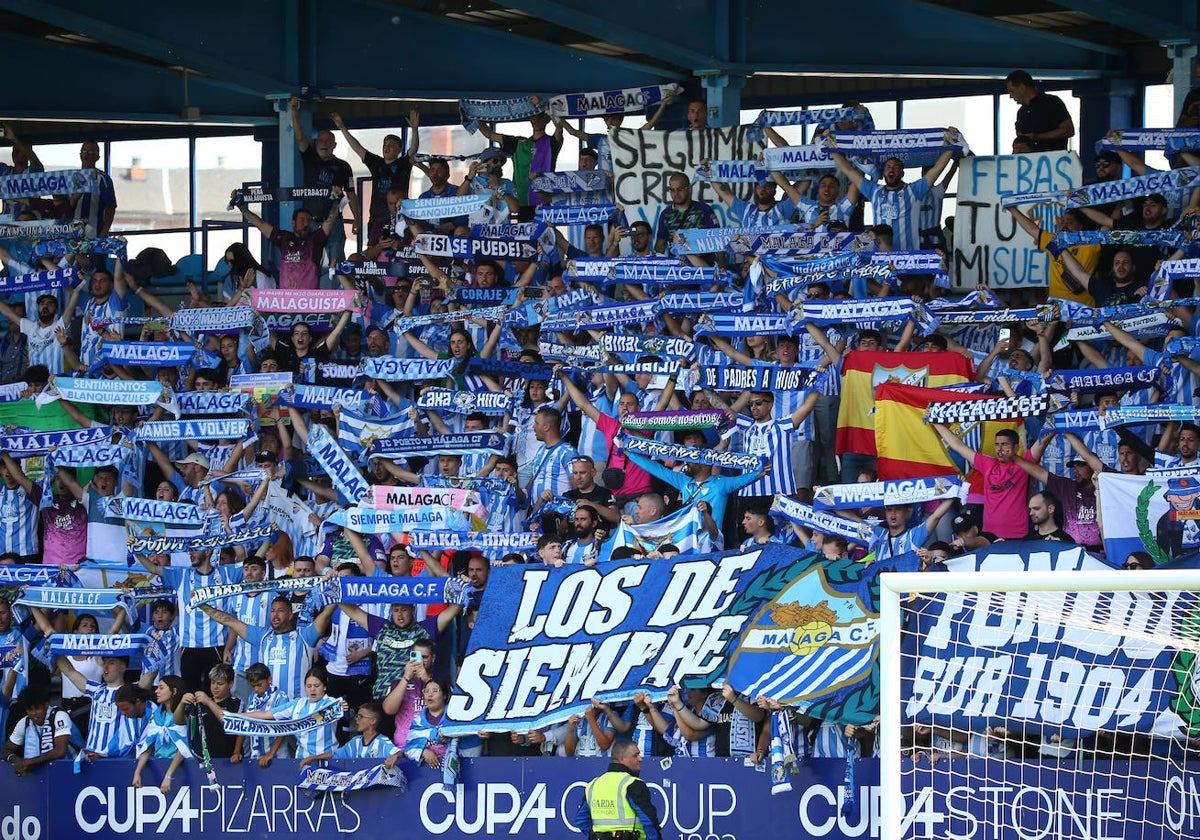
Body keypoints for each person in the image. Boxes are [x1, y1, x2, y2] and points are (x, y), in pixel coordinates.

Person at [331, 110, 419, 245]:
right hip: (376, 219)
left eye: (391, 145)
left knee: (398, 252)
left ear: (399, 150)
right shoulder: (376, 163)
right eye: (385, 144)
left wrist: (414, 129)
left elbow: (413, 149)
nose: (387, 147)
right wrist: (342, 127)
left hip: (398, 219)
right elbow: (357, 148)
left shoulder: (403, 164)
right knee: (374, 253)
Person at [290, 97, 359, 262]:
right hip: (309, 223)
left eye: (328, 141)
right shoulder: (310, 157)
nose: (324, 144)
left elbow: (351, 194)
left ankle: (341, 289)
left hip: (333, 222)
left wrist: (356, 218)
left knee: (337, 263)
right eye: (320, 140)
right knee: (308, 263)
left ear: (334, 145)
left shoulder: (343, 166)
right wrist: (293, 111)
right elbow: (299, 137)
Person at [932, 426, 1030, 539]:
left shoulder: (1025, 464)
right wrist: (936, 423)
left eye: (1004, 444)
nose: (999, 448)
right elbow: (957, 445)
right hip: (990, 535)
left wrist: (1052, 419)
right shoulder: (988, 464)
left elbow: (1041, 443)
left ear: (1016, 447)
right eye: (997, 444)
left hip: (1018, 534)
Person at [573, 739, 664, 840]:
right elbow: (649, 820)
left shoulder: (594, 784)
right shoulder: (632, 783)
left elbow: (581, 820)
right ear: (622, 759)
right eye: (635, 755)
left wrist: (597, 836)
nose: (640, 759)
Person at [2, 683, 79, 773]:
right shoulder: (24, 722)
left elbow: (60, 751)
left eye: (37, 708)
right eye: (30, 709)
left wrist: (28, 762)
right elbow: (5, 750)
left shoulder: (59, 715)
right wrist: (16, 760)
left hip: (69, 771)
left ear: (46, 705)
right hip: (40, 776)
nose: (34, 713)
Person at [299, 701, 400, 769]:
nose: (356, 719)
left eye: (360, 716)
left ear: (372, 721)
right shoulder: (355, 742)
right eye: (356, 716)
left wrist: (395, 756)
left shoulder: (381, 741)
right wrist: (313, 758)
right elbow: (335, 754)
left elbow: (399, 753)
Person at [1005, 70, 1075, 152]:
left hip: (1052, 160)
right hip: (1031, 162)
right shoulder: (1021, 112)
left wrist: (1038, 137)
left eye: (1012, 91)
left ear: (1022, 87)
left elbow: (1068, 130)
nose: (1011, 96)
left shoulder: (1051, 102)